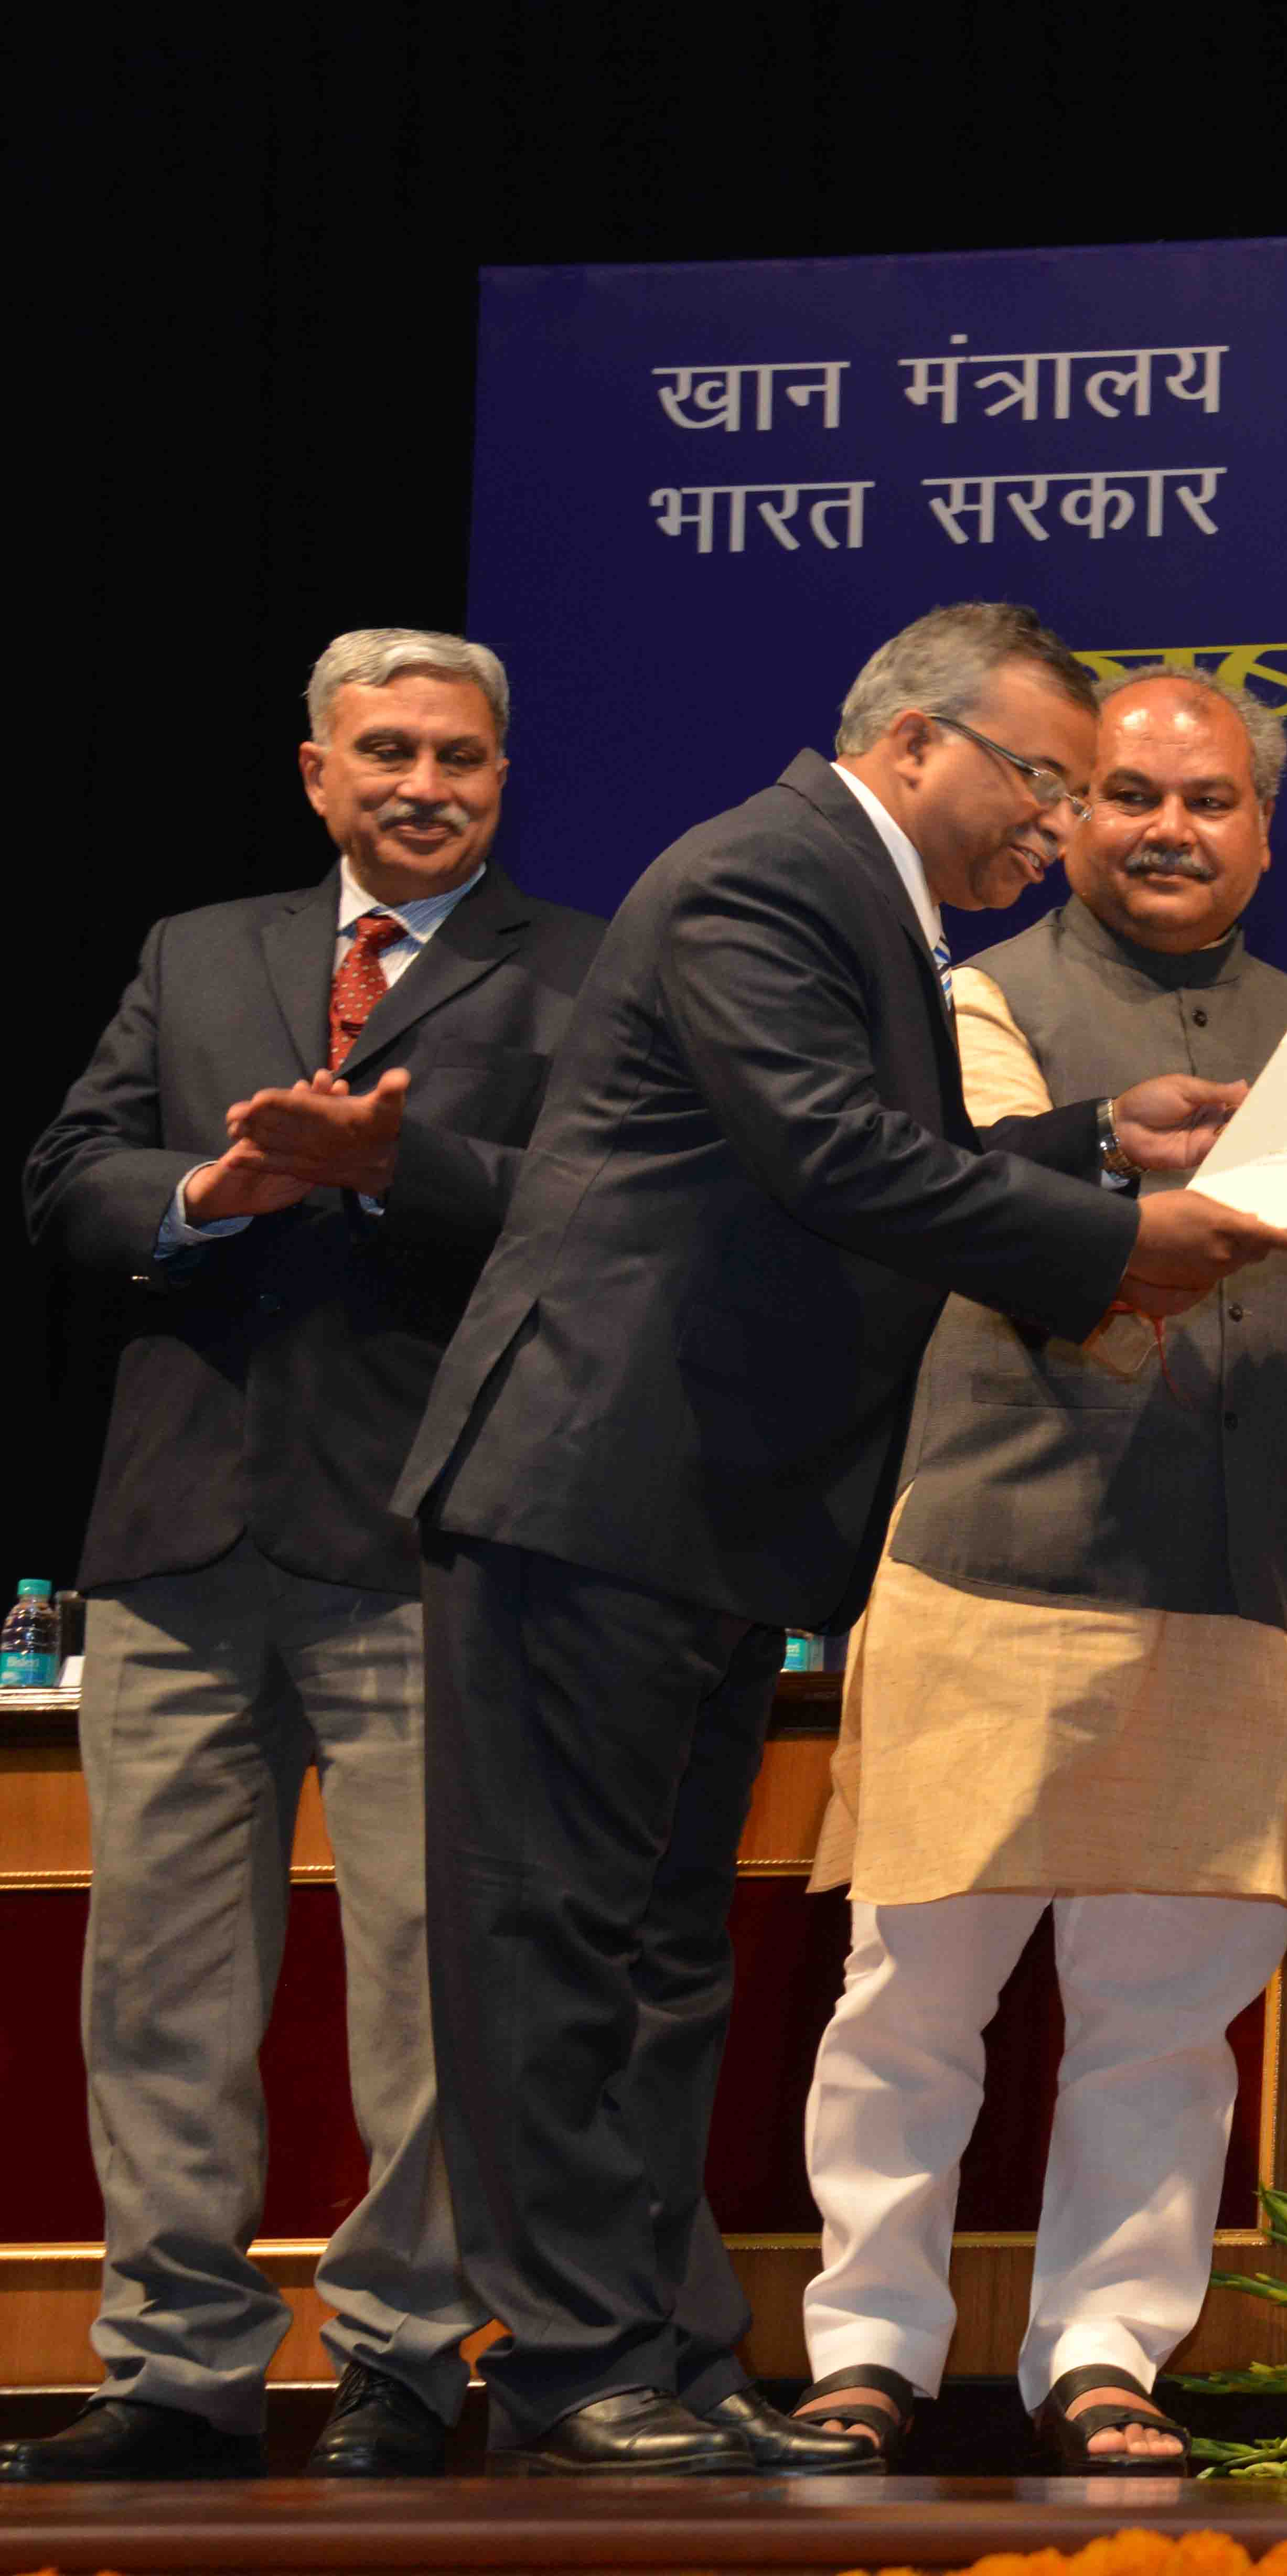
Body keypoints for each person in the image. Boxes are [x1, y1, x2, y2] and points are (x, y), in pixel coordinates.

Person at [390, 603, 1287, 2476]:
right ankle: (571, 2363)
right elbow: (836, 1162)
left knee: (655, 1955)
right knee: (558, 1945)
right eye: (1041, 780)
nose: (1052, 828)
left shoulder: (853, 897)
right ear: (912, 746)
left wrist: (1096, 1145)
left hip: (694, 1513)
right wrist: (1125, 1240)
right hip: (593, 1486)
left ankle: (665, 2343)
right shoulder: (770, 877)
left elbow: (873, 1153)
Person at [785, 668, 1287, 2475]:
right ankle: (869, 2342)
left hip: (1233, 1581)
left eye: (1212, 800)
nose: (1170, 828)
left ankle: (1105, 2350)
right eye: (1132, 795)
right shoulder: (975, 1009)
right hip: (995, 1561)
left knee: (1168, 2013)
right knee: (917, 1996)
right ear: (1067, 813)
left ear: (1264, 827)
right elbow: (1001, 1223)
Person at [8, 631, 604, 2484]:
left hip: (429, 1537)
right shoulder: (204, 950)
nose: (427, 784)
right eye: (390, 753)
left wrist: (379, 1166)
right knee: (160, 1982)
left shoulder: (575, 973)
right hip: (178, 1539)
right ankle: (177, 2369)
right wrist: (214, 1192)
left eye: (464, 758)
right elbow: (71, 1176)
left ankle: (405, 2358)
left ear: (505, 779)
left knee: (429, 1984)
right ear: (318, 773)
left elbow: (594, 1211)